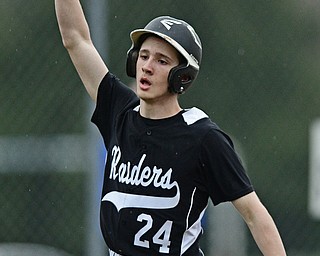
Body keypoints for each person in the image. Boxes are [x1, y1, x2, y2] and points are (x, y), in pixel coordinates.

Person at [55, 1, 287, 255]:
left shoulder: (202, 137)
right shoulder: (119, 111)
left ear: (182, 76)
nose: (147, 66)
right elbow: (75, 39)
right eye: (143, 56)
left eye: (162, 61)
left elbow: (255, 215)